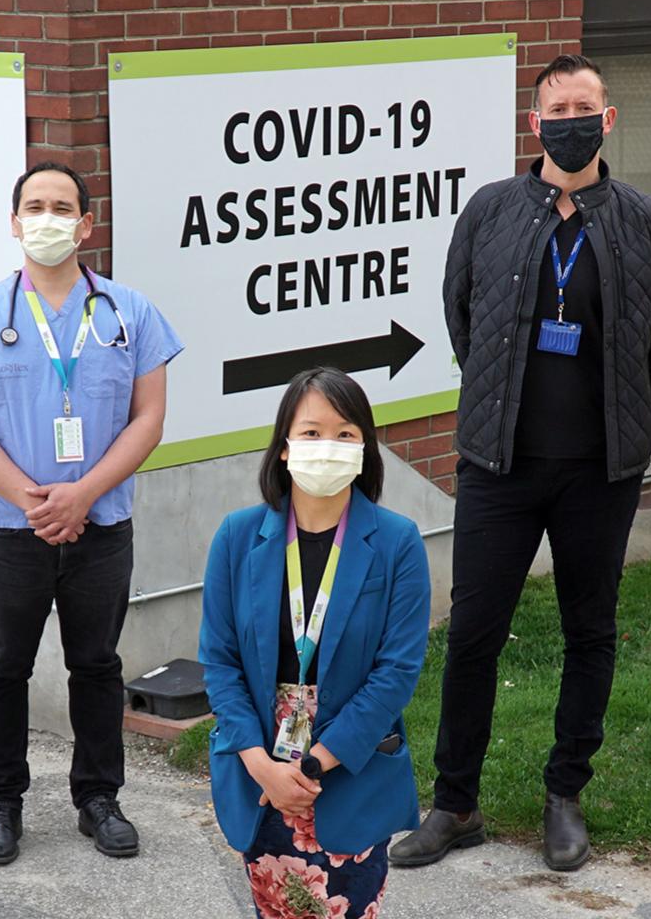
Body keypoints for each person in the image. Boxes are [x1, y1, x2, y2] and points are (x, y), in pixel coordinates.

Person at [396, 53, 651, 872]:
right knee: (474, 635)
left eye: (584, 105)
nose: (570, 118)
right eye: (556, 106)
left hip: (600, 470)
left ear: (608, 119)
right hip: (500, 465)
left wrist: (619, 405)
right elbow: (461, 314)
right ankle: (455, 803)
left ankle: (566, 794)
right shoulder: (492, 211)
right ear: (535, 123)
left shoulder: (642, 218)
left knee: (588, 630)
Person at [0, 160, 184, 866]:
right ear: (14, 223)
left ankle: (99, 799)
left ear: (86, 224)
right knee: (2, 666)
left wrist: (83, 494)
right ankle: (1, 804)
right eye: (34, 206)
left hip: (100, 529)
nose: (47, 218)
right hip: (13, 532)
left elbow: (149, 418)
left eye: (62, 206)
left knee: (96, 665)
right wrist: (33, 501)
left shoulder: (131, 313)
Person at [199, 368, 431, 919]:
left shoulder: (397, 542)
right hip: (260, 765)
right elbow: (219, 662)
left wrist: (313, 768)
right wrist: (260, 765)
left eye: (345, 434)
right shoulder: (237, 536)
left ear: (365, 449)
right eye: (310, 432)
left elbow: (395, 675)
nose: (327, 446)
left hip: (347, 762)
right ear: (283, 448)